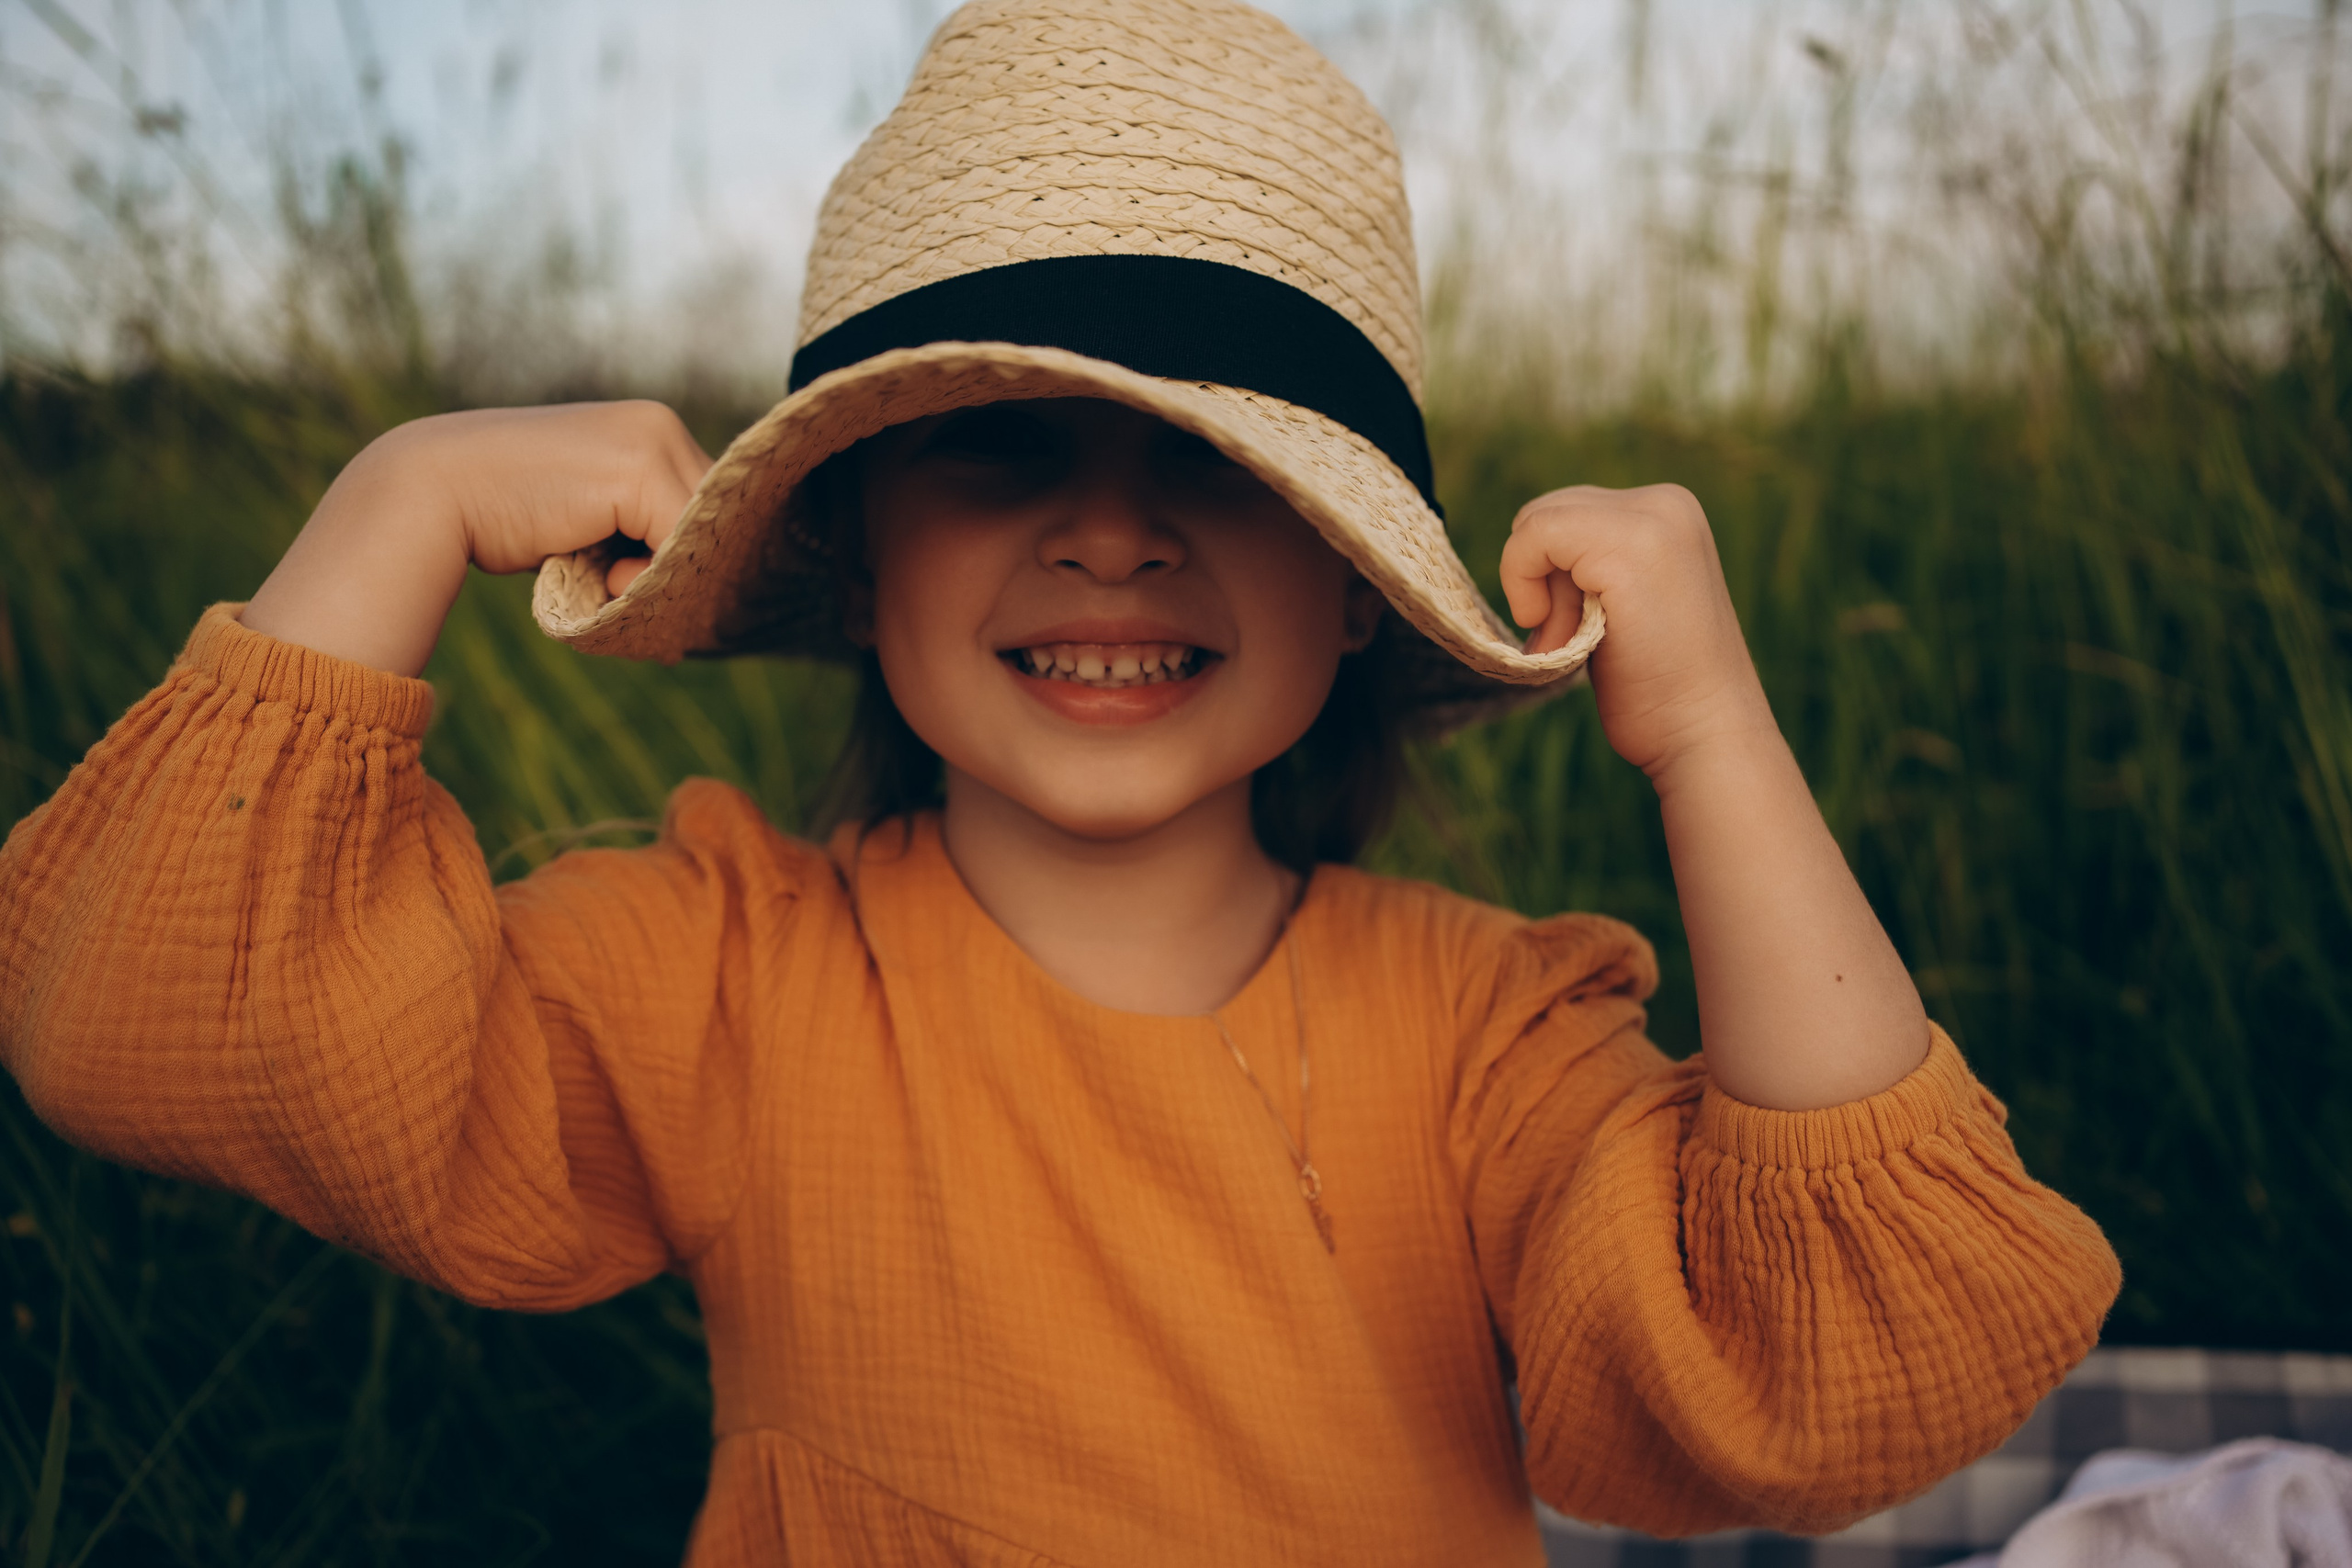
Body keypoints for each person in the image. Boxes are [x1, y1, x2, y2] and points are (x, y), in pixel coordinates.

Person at [0, 0, 2120, 1562]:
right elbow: (157, 1023)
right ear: (850, 548)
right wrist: (391, 504)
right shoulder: (729, 971)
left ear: (1360, 590)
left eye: (1216, 462)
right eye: (1000, 441)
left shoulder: (1478, 1033)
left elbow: (1837, 1359)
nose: (1112, 535)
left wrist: (1711, 737)